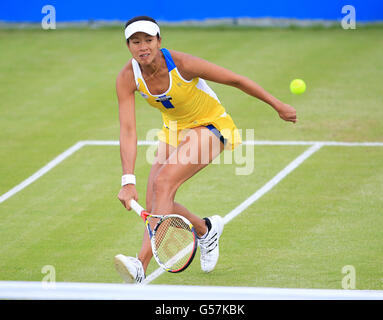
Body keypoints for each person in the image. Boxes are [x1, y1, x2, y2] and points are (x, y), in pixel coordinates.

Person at [114, 16, 297, 284]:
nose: (143, 47)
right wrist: (128, 180)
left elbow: (235, 79)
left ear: (159, 41)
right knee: (155, 199)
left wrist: (277, 104)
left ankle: (140, 265)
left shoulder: (182, 64)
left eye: (148, 40)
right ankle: (205, 230)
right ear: (128, 46)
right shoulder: (127, 77)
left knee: (163, 182)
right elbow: (128, 130)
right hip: (174, 129)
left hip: (211, 125)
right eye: (135, 42)